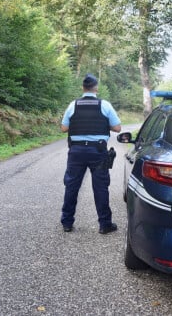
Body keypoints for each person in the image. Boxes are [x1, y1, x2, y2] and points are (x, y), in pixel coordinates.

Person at [60, 74, 121, 234]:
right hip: (98, 151)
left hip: (76, 152)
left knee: (71, 187)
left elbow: (64, 128)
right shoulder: (105, 105)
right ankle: (105, 225)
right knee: (101, 188)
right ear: (96, 88)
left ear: (83, 88)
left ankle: (67, 223)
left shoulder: (73, 105)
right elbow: (117, 128)